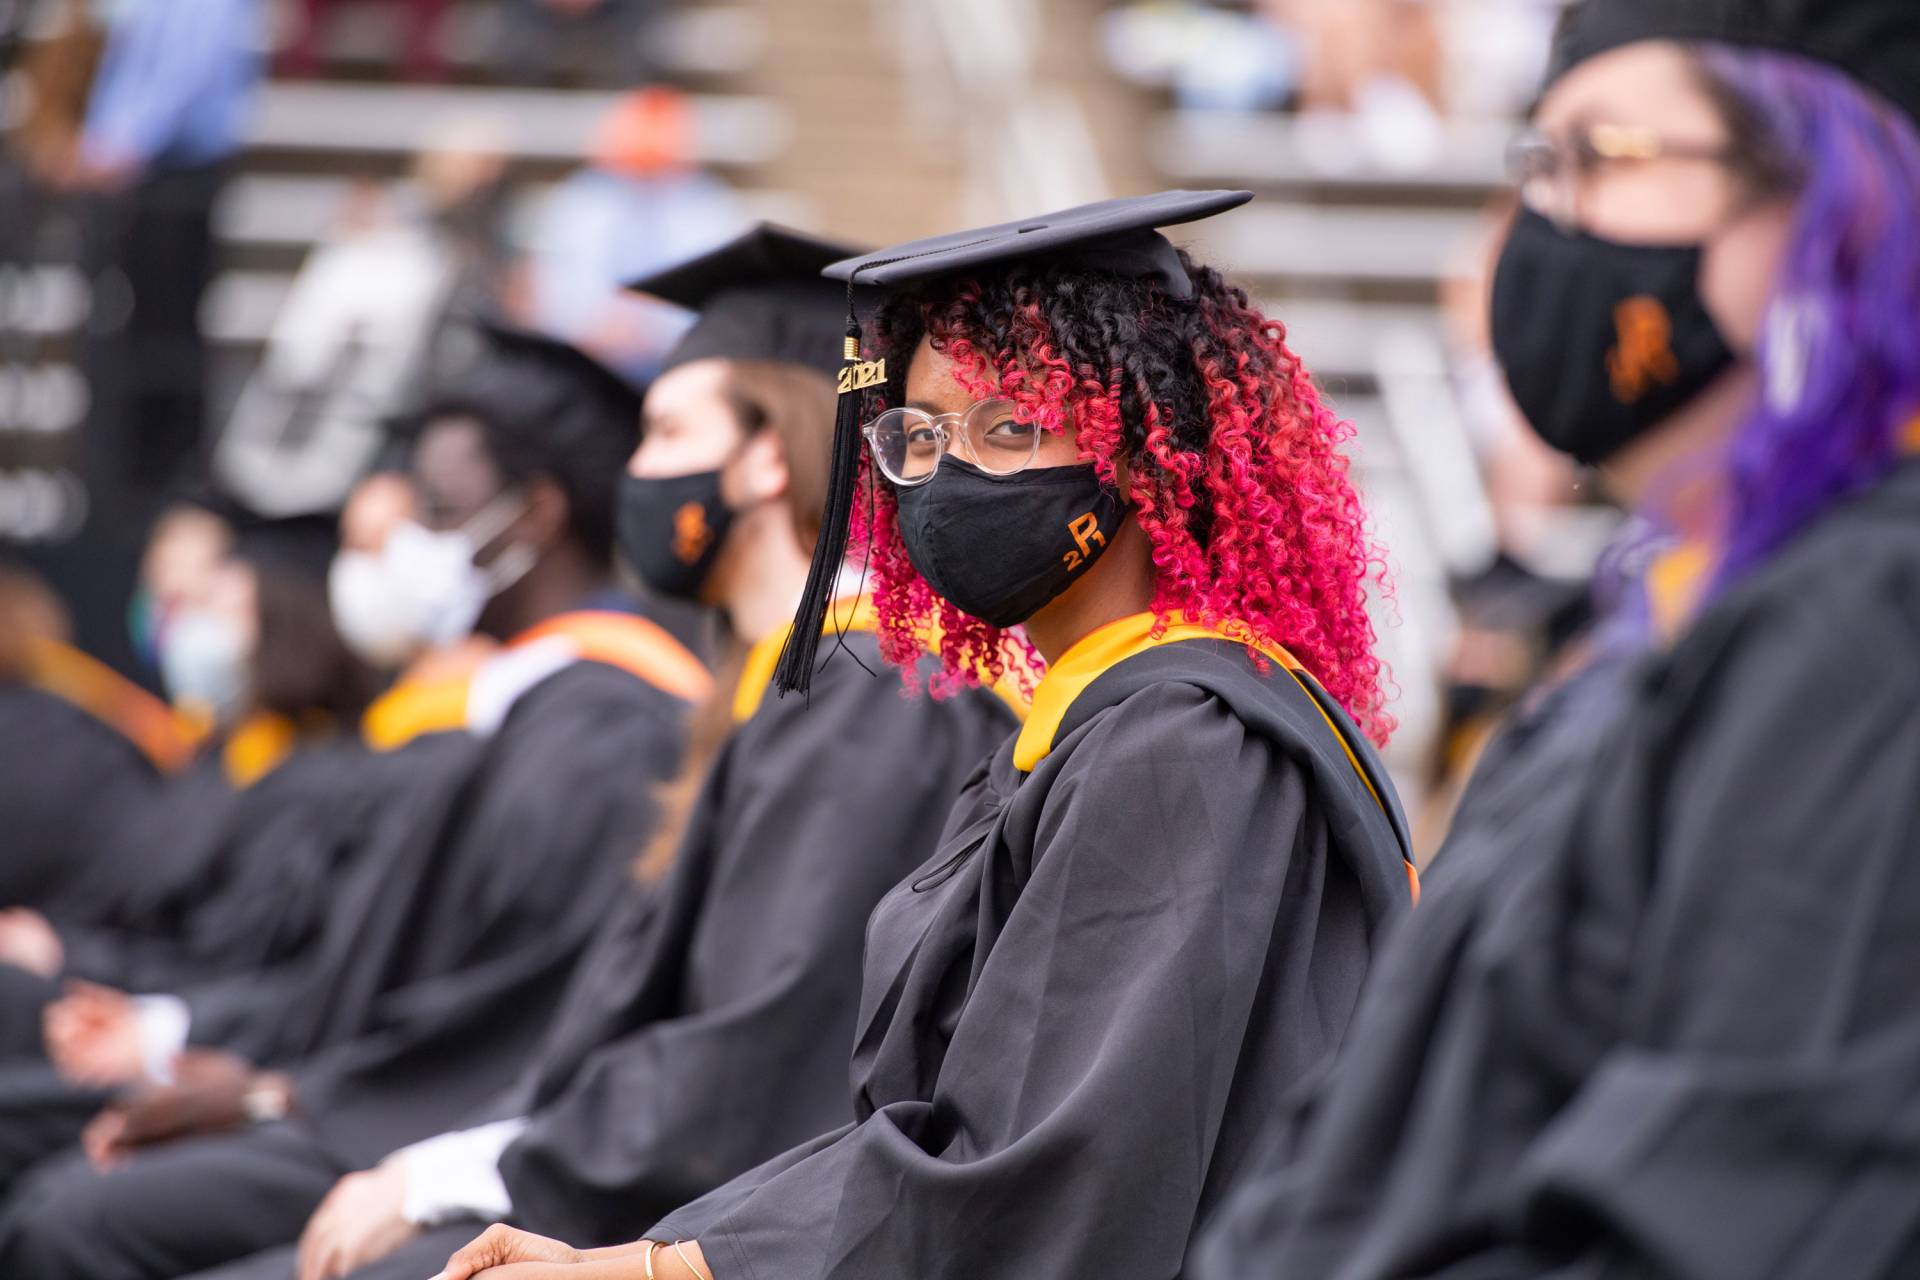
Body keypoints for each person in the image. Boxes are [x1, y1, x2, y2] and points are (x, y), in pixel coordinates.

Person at [431, 190, 1419, 1280]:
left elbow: (1033, 1179)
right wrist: (635, 1256)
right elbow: (949, 1127)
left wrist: (657, 1271)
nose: (949, 477)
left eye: (1009, 427)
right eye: (919, 434)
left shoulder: (1178, 745)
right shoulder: (1104, 720)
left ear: (1144, 445)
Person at [1190, 2, 1920, 1275]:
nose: (1543, 224)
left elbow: (1726, 1208)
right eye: (1541, 164)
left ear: (1835, 203)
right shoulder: (1650, 642)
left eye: (1609, 157)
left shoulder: (1867, 630)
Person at [179, 224, 1025, 1280]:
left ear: (767, 453)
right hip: (637, 1184)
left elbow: (754, 1058)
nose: (635, 471)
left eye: (668, 432)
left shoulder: (874, 696)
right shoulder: (788, 687)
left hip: (703, 1220)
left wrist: (446, 1173)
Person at [0, 325, 711, 1277]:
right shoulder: (526, 716)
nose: (414, 540)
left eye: (437, 506)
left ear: (535, 516)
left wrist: (278, 1094)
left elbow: (506, 1014)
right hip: (361, 1093)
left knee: (73, 1215)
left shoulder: (603, 733)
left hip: (441, 1129)